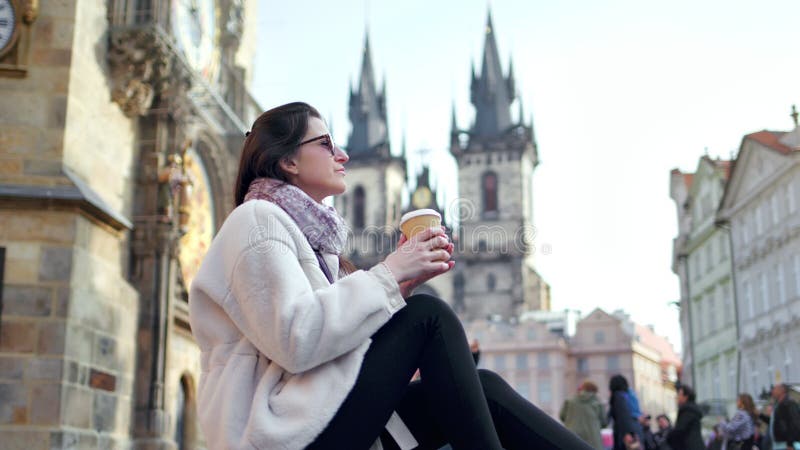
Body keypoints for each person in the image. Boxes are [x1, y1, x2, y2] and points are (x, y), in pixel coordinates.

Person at [188, 102, 594, 450]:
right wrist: (389, 274)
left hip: (313, 413)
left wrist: (397, 286)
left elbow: (331, 339)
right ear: (288, 161)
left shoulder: (309, 237)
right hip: (278, 431)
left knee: (484, 387)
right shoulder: (257, 219)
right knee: (429, 316)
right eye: (326, 144)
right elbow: (297, 340)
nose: (342, 154)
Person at [560, 380, 607, 449]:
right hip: (593, 441)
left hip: (572, 439)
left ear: (582, 388)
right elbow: (604, 423)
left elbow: (562, 416)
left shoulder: (569, 401)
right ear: (595, 391)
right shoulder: (598, 403)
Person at [666, 384, 704, 450]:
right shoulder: (691, 410)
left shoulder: (688, 411)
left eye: (679, 394)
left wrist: (668, 436)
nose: (677, 397)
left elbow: (679, 430)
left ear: (685, 397)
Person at [766, 383, 800, 450]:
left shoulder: (789, 404)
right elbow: (776, 424)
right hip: (778, 445)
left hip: (786, 445)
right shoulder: (777, 405)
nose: (772, 391)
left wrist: (790, 443)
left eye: (775, 389)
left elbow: (794, 424)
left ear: (782, 390)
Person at [609, 374, 639, 450]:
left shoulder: (618, 396)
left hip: (622, 432)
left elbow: (623, 415)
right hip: (630, 429)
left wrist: (627, 433)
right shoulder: (625, 395)